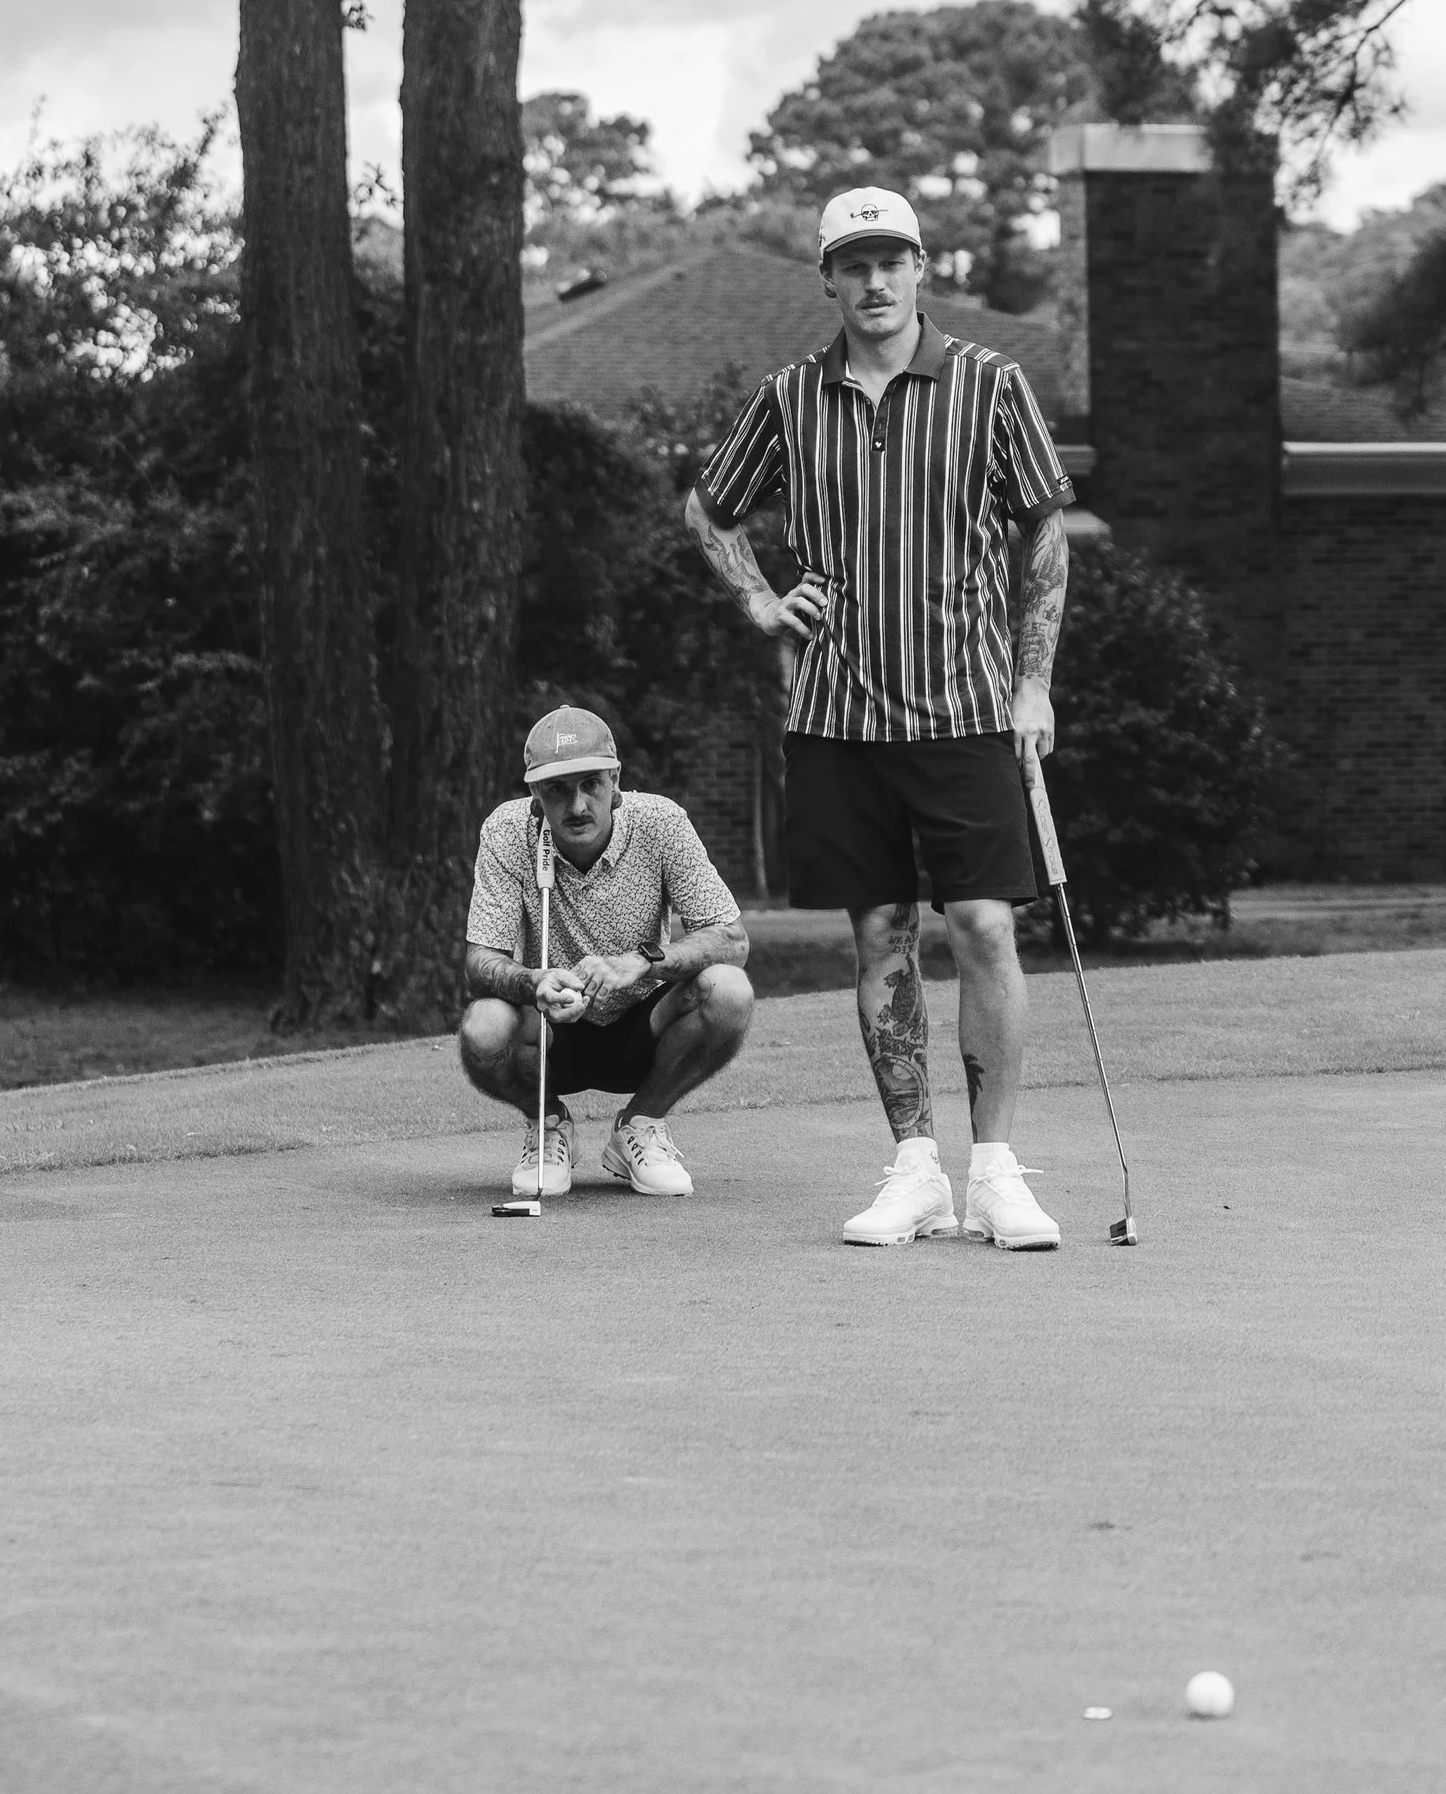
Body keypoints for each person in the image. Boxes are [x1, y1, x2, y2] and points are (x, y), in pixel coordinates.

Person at [685, 183, 1073, 1250]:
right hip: (837, 718)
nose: (873, 280)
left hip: (964, 708)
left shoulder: (989, 385)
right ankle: (915, 1171)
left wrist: (1033, 681)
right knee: (882, 938)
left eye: (890, 260)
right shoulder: (788, 396)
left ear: (919, 269)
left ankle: (994, 1172)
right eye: (852, 264)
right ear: (826, 278)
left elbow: (1045, 534)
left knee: (985, 923)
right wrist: (762, 598)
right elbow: (708, 508)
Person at [459, 706, 754, 1200]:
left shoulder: (661, 822)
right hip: (550, 1027)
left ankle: (640, 1125)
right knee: (483, 1026)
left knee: (730, 991)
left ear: (615, 782)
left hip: (649, 1022)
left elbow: (732, 938)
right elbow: (480, 960)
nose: (577, 805)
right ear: (535, 795)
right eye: (558, 789)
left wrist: (642, 960)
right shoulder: (507, 831)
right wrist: (535, 981)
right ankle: (548, 1125)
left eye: (591, 783)